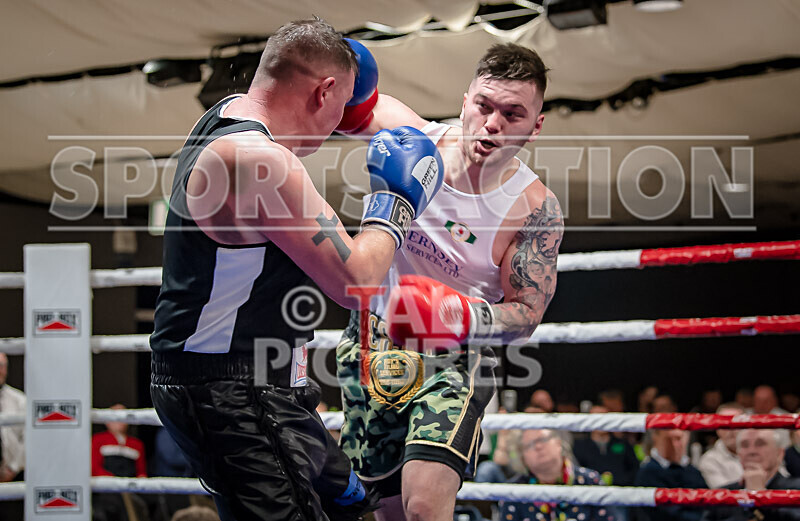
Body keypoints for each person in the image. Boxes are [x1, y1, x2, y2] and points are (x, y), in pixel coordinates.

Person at [149, 18, 443, 521]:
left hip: (253, 385)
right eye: (341, 106)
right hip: (233, 397)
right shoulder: (262, 163)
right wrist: (394, 201)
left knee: (350, 509)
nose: (339, 125)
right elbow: (359, 283)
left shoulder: (224, 118)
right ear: (324, 90)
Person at [336, 42, 563, 521]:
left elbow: (527, 313)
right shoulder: (412, 139)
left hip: (455, 357)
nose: (492, 124)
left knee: (425, 506)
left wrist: (457, 315)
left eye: (513, 113)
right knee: (387, 512)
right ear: (464, 101)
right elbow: (334, 99)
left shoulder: (534, 209)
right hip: (370, 340)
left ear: (536, 125)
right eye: (483, 106)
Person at [499, 429, 614, 521]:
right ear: (522, 457)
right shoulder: (514, 492)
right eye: (529, 445)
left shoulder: (590, 480)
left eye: (543, 439)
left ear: (559, 443)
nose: (538, 447)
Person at [701, 430, 800, 521]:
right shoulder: (721, 494)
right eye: (745, 445)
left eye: (760, 444)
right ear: (738, 454)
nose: (751, 451)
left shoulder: (795, 489)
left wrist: (759, 496)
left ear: (779, 454)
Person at [634, 429, 707, 521]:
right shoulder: (647, 473)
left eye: (678, 439)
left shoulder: (692, 471)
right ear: (656, 439)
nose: (674, 445)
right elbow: (669, 513)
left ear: (687, 439)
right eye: (668, 440)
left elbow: (707, 503)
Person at [91, 404, 147, 478]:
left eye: (123, 417)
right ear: (107, 421)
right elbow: (94, 468)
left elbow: (141, 472)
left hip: (130, 487)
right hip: (106, 486)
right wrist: (114, 483)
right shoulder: (97, 439)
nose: (120, 420)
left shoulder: (137, 444)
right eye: (116, 417)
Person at [697, 403, 744, 488]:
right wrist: (751, 482)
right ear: (717, 429)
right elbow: (724, 494)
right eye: (725, 425)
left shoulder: (760, 453)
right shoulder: (709, 460)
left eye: (736, 424)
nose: (731, 429)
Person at [0, 353, 24, 483]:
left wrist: (13, 468)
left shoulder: (19, 400)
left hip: (15, 475)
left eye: (1, 366)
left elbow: (27, 439)